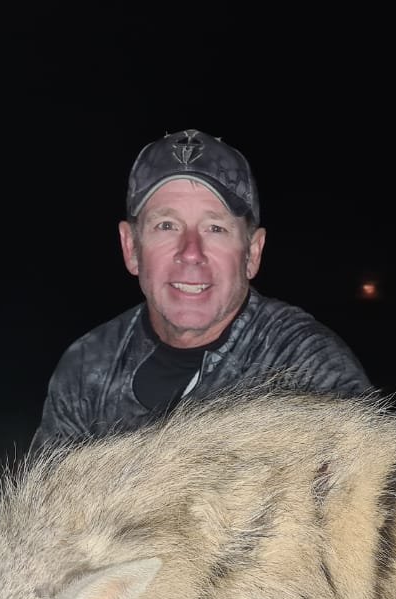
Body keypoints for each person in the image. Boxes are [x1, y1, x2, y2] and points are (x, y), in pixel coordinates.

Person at [30, 128, 373, 454]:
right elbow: (51, 506)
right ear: (131, 247)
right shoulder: (87, 367)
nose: (191, 252)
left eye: (215, 228)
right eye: (166, 225)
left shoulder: (306, 367)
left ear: (252, 253)